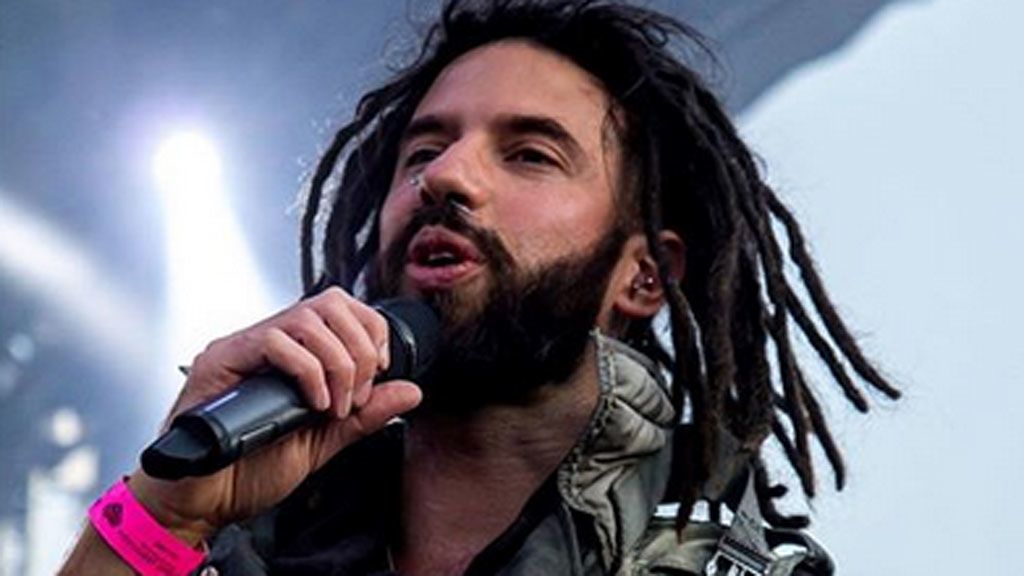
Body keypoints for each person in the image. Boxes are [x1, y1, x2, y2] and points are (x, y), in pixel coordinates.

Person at [60, 1, 900, 574]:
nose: (446, 177)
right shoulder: (240, 542)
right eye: (423, 152)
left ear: (645, 275)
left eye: (530, 154)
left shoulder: (726, 564)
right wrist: (163, 521)